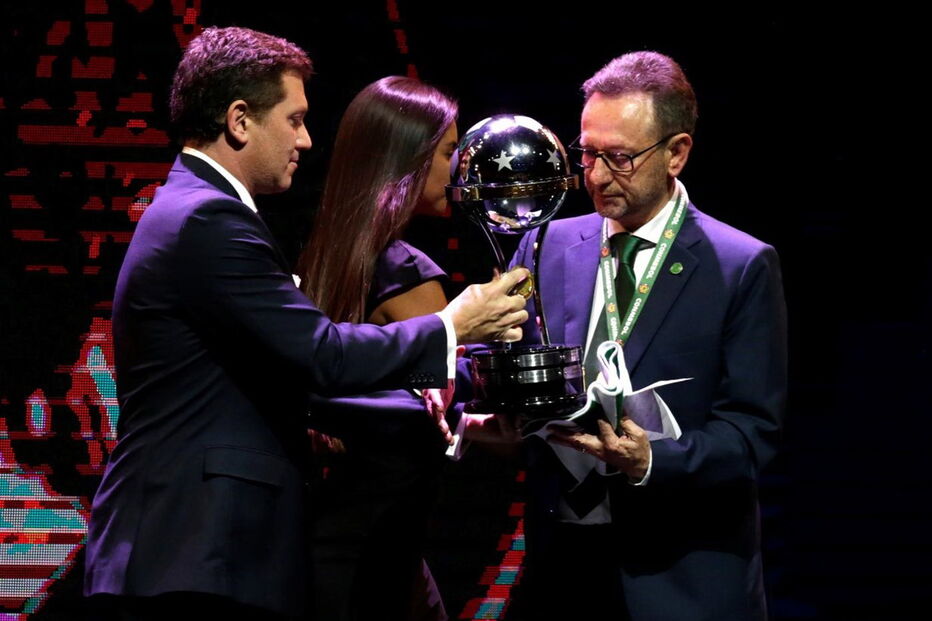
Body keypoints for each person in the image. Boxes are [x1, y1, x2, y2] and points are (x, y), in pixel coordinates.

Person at [82, 27, 528, 620]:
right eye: (293, 120)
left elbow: (297, 378)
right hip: (195, 552)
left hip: (197, 551)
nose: (307, 139)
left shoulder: (195, 212)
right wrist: (453, 325)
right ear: (240, 121)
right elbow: (323, 356)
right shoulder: (208, 222)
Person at [506, 51, 787, 620]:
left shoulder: (741, 265)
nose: (597, 176)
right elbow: (515, 370)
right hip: (565, 572)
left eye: (620, 158)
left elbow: (753, 432)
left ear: (677, 153)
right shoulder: (546, 245)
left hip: (683, 579)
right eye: (587, 153)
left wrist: (650, 461)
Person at [300, 76, 513, 621]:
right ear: (406, 160)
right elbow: (434, 405)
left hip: (327, 545)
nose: (458, 169)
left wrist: (466, 426)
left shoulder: (326, 257)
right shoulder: (408, 274)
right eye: (448, 153)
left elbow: (396, 402)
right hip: (382, 551)